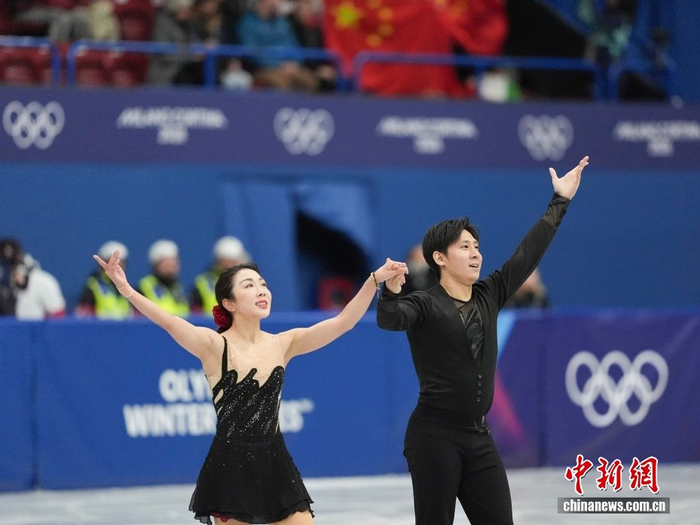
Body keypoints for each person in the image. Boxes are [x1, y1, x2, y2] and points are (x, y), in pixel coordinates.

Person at [93, 249, 407, 525]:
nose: (261, 290)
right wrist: (125, 289)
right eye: (249, 285)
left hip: (276, 462)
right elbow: (169, 321)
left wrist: (374, 279)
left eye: (263, 284)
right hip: (230, 465)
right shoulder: (213, 346)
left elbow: (344, 322)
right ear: (229, 302)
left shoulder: (284, 343)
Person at [376, 156, 589, 525]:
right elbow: (390, 320)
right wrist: (391, 292)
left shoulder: (490, 294)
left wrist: (560, 201)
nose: (475, 253)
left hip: (479, 436)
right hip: (434, 436)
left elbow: (527, 254)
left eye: (476, 246)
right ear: (440, 257)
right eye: (464, 247)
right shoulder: (423, 304)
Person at [0, 237, 66, 320]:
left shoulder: (43, 282)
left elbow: (58, 317)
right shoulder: (3, 286)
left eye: (14, 265)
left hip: (35, 327)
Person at [190, 236, 251, 315]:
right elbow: (195, 315)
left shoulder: (245, 281)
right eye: (234, 260)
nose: (238, 263)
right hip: (213, 322)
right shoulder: (203, 283)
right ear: (224, 260)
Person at [76, 241, 133, 319]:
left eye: (121, 262)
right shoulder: (92, 286)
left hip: (126, 326)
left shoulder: (127, 286)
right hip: (100, 326)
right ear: (103, 263)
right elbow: (83, 316)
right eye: (112, 262)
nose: (117, 266)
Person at [138, 239, 190, 317]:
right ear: (156, 265)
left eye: (173, 264)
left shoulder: (179, 288)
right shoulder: (144, 287)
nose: (171, 269)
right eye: (167, 264)